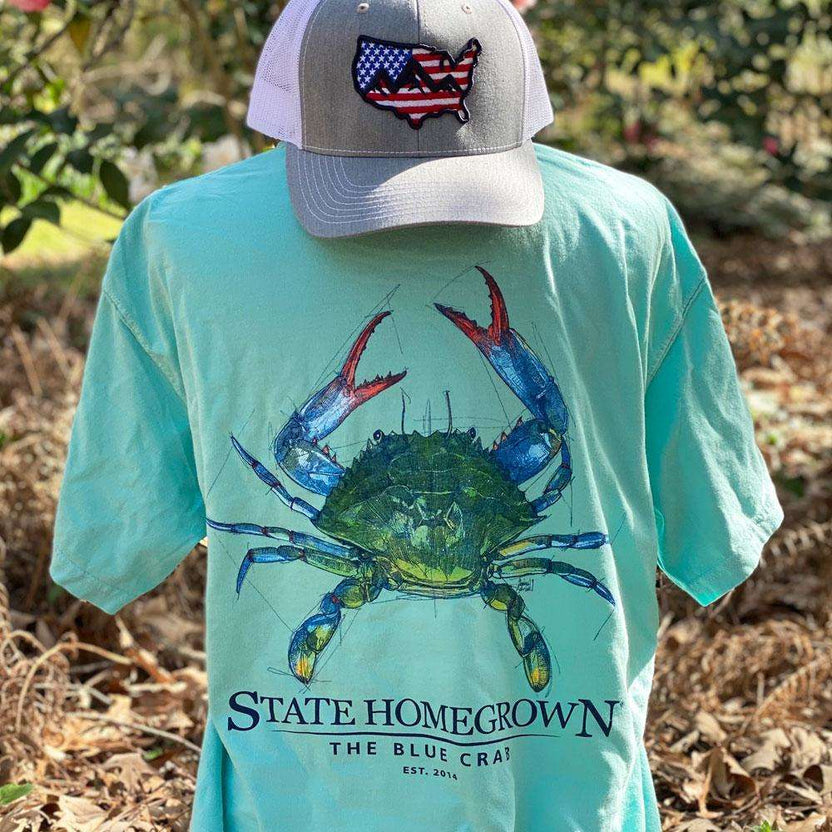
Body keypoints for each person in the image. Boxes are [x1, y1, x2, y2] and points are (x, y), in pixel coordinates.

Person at [50, 0, 783, 829]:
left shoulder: (175, 237)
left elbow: (141, 529)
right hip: (570, 804)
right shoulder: (628, 230)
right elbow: (685, 527)